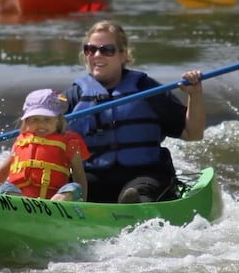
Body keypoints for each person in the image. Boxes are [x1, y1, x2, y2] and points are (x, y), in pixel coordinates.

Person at [63, 20, 206, 204]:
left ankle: (135, 207)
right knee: (69, 189)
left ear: (123, 55)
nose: (97, 55)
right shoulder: (74, 96)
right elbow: (44, 132)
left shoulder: (147, 89)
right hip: (94, 177)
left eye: (107, 50)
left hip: (144, 174)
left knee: (138, 192)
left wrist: (195, 95)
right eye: (90, 49)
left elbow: (193, 133)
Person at [0, 89, 90, 201]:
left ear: (58, 120)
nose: (41, 124)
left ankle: (53, 206)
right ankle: (20, 204)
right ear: (27, 121)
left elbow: (79, 174)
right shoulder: (21, 141)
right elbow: (2, 171)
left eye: (47, 119)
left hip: (54, 200)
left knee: (74, 187)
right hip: (21, 200)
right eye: (35, 119)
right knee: (6, 188)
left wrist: (83, 201)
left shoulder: (69, 142)